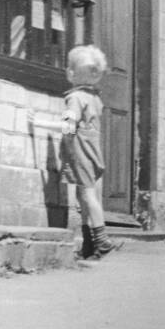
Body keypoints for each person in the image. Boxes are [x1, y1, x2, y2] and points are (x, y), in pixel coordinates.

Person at [62, 44, 122, 260]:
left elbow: (69, 124)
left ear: (72, 73)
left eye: (70, 67)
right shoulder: (95, 98)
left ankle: (102, 241)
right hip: (94, 151)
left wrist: (38, 123)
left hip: (81, 151)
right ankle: (89, 245)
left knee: (87, 196)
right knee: (88, 195)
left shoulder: (75, 98)